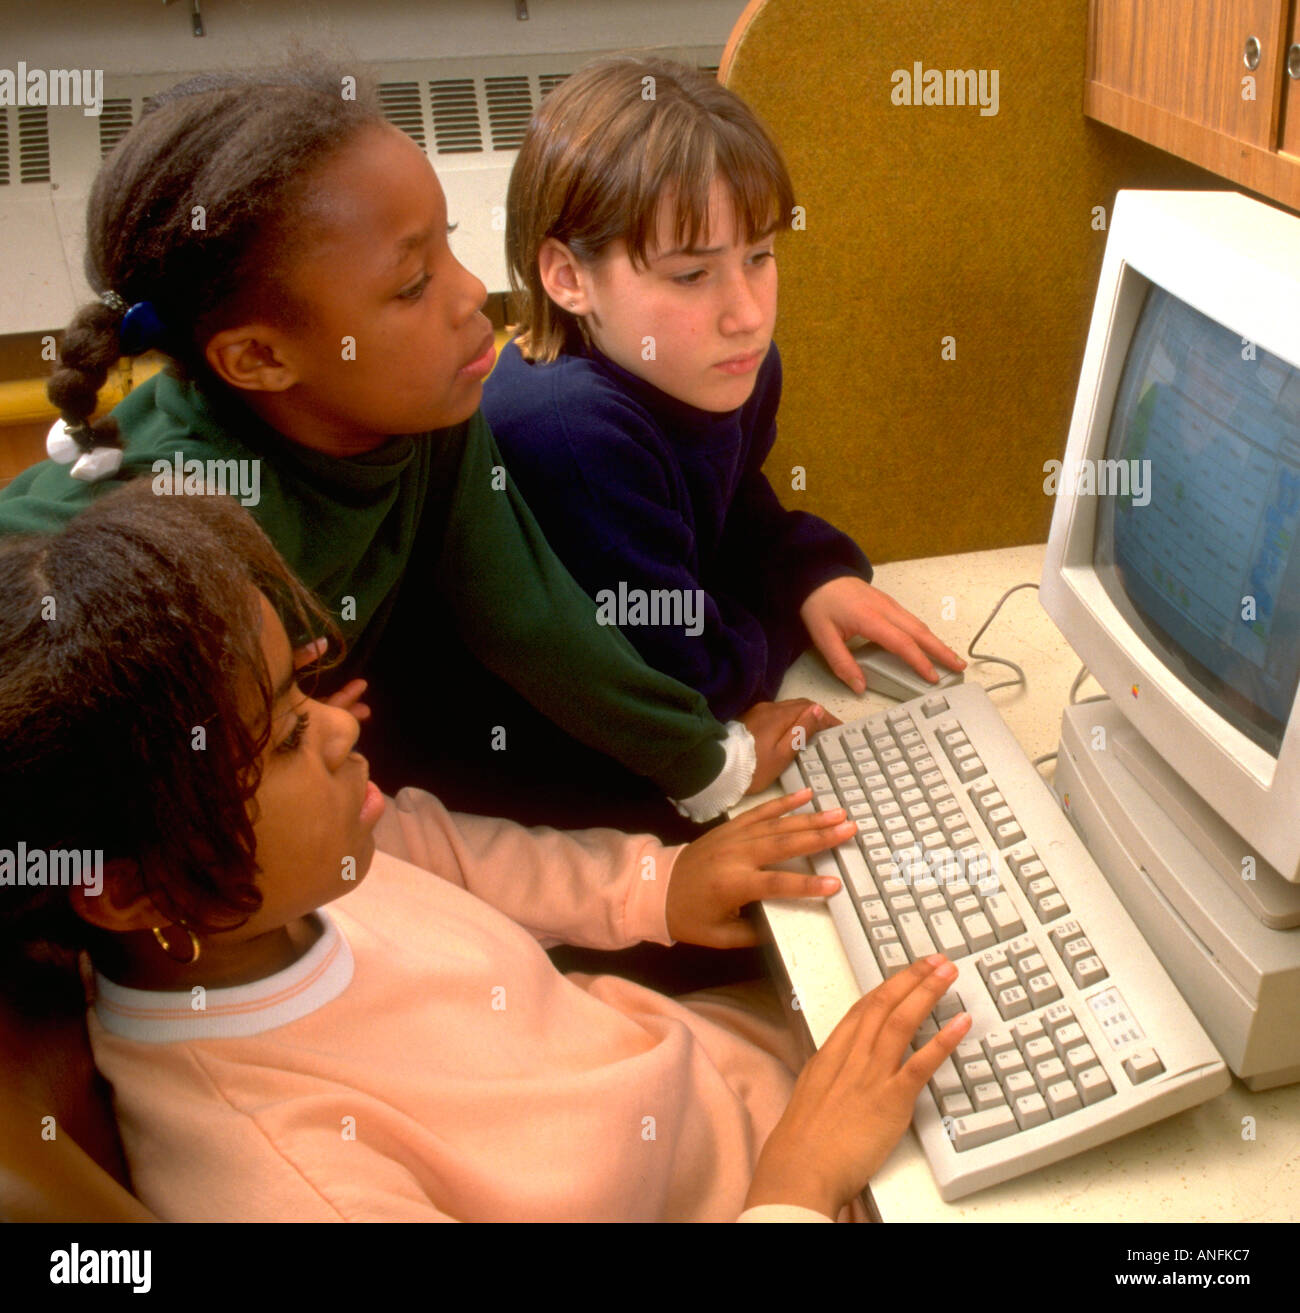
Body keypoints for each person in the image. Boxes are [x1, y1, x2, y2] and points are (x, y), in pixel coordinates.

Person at [0, 484, 970, 1222]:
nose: (341, 732)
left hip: (750, 1074)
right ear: (125, 889)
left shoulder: (297, 876)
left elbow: (444, 851)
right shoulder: (287, 1179)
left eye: (303, 693)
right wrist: (794, 1187)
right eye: (285, 737)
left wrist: (660, 884)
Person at [0, 65, 829, 842]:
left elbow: (527, 613)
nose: (473, 293)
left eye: (448, 247)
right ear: (258, 359)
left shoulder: (432, 400)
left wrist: (709, 762)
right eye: (411, 286)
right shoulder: (190, 532)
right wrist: (283, 718)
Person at [482, 57, 965, 724]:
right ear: (568, 278)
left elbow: (730, 508)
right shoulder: (570, 435)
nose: (746, 315)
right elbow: (694, 683)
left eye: (758, 257)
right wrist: (777, 618)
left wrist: (809, 576)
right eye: (690, 276)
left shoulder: (716, 369)